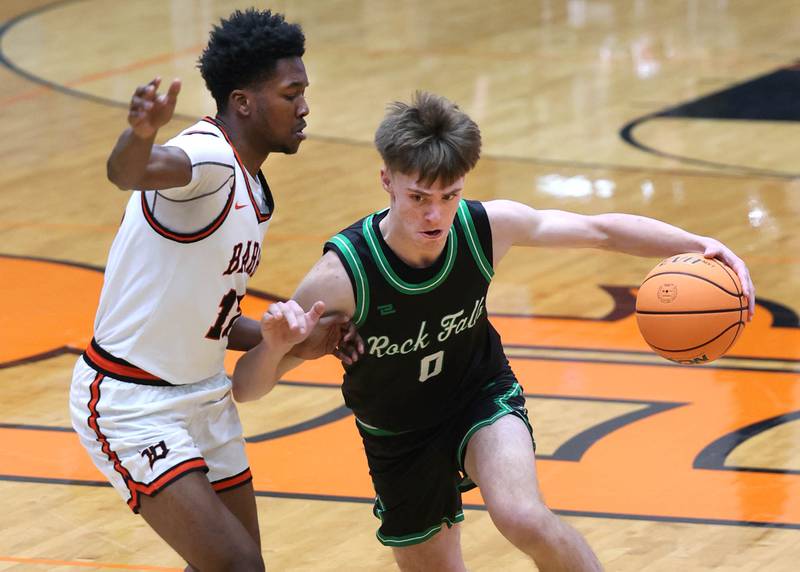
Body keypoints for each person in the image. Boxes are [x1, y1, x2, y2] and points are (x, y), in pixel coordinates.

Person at [232, 91, 755, 571]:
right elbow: (248, 388)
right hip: (397, 434)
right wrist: (276, 346)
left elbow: (599, 230)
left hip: (479, 396)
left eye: (449, 196)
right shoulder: (341, 276)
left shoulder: (484, 227)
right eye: (418, 197)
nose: (435, 215)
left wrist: (698, 243)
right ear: (386, 180)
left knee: (522, 516)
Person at [69, 9, 349, 571]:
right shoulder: (210, 157)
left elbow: (214, 320)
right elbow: (131, 172)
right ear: (243, 102)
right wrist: (142, 133)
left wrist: (294, 339)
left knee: (232, 565)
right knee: (239, 568)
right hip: (132, 400)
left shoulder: (254, 187)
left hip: (203, 395)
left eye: (304, 92)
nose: (304, 107)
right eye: (290, 94)